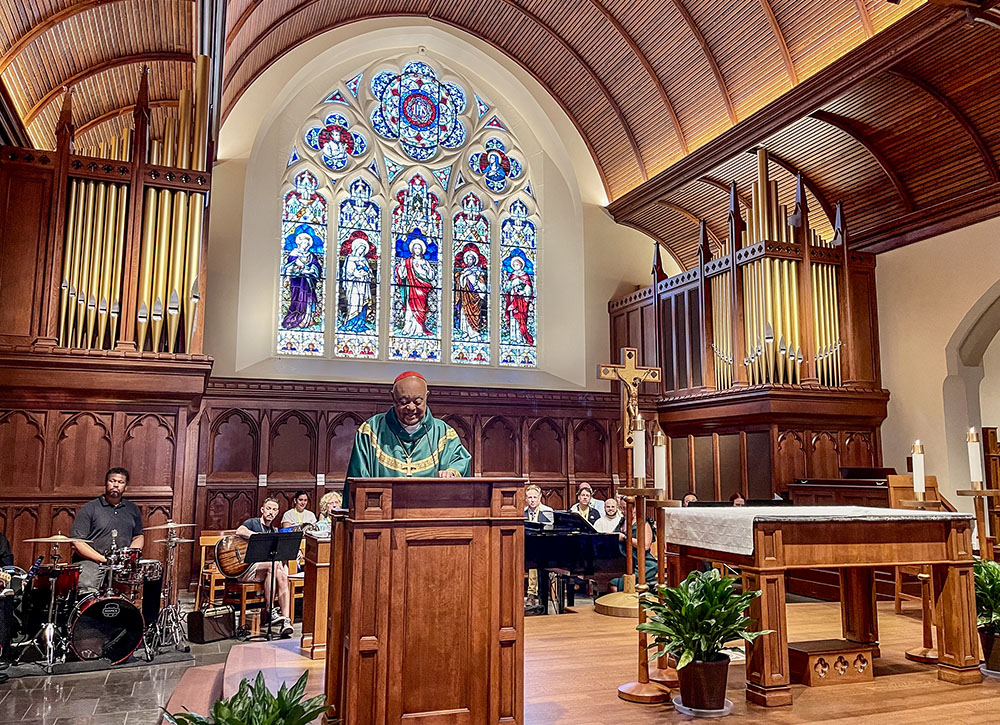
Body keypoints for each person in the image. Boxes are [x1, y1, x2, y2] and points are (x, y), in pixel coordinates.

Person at [345, 371, 471, 497]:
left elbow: (460, 460)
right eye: (404, 402)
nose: (411, 408)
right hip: (382, 513)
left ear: (426, 397)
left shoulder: (444, 433)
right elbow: (358, 480)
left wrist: (452, 472)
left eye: (417, 402)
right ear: (393, 399)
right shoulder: (371, 431)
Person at [71, 467, 144, 592]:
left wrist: (129, 557)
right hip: (91, 561)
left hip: (121, 564)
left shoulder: (132, 509)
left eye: (120, 482)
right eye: (112, 481)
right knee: (87, 586)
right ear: (106, 483)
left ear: (125, 486)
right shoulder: (89, 508)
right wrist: (105, 560)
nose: (116, 485)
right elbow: (78, 542)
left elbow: (138, 536)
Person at [234, 497, 294, 638]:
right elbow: (240, 531)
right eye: (268, 508)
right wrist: (257, 537)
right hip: (246, 568)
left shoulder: (274, 529)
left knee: (282, 574)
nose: (271, 512)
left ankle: (286, 620)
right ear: (262, 509)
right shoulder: (253, 522)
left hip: (266, 571)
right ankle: (270, 609)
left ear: (277, 512)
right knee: (274, 567)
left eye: (274, 510)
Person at [395, 235, 436, 337]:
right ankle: (407, 327)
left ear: (422, 250)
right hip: (411, 288)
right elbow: (402, 275)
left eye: (419, 248)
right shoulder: (408, 261)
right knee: (409, 309)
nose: (417, 250)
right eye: (415, 248)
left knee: (421, 309)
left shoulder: (425, 262)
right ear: (412, 249)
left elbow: (431, 276)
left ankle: (419, 328)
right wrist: (402, 267)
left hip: (422, 289)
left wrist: (427, 269)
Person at [281, 232, 323, 329]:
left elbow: (317, 268)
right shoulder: (294, 253)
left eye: (307, 244)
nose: (306, 245)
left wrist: (312, 270)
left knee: (309, 299)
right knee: (298, 299)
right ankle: (298, 318)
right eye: (304, 243)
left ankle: (308, 319)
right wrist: (292, 273)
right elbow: (288, 267)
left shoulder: (311, 255)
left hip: (309, 282)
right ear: (299, 243)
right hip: (297, 282)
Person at [341, 233, 375, 333]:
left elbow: (370, 273)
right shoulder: (350, 258)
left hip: (363, 285)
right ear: (356, 248)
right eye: (360, 249)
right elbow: (348, 272)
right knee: (354, 303)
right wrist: (357, 273)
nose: (362, 251)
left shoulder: (364, 259)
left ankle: (361, 323)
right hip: (354, 285)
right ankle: (350, 324)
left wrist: (366, 272)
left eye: (363, 250)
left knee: (363, 302)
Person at [503, 253, 534, 345]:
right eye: (514, 265)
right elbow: (507, 288)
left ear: (521, 265)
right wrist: (511, 283)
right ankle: (513, 337)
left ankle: (520, 337)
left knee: (521, 319)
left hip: (522, 301)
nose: (516, 266)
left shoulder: (525, 276)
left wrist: (524, 291)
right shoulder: (512, 276)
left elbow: (529, 289)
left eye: (518, 264)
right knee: (513, 318)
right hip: (513, 299)